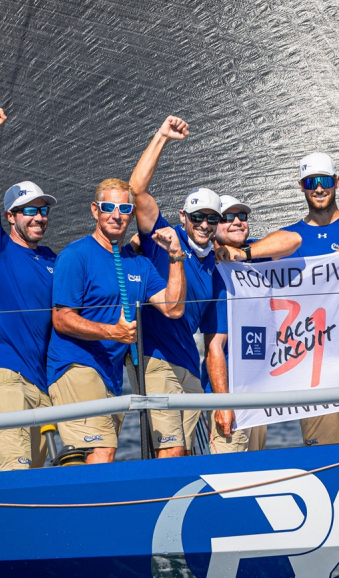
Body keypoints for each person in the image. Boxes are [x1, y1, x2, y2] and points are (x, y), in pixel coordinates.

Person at [219, 152, 339, 444]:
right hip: (312, 358)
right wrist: (336, 260)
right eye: (310, 182)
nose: (318, 188)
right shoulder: (286, 239)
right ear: (301, 187)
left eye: (324, 181)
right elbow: (254, 256)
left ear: (336, 182)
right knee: (324, 449)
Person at [47, 179, 185, 463]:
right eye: (108, 207)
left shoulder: (139, 264)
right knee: (101, 450)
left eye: (124, 209)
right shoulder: (76, 255)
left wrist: (175, 255)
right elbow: (61, 319)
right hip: (77, 365)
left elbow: (173, 308)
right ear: (95, 210)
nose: (116, 215)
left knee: (102, 454)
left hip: (110, 374)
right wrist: (113, 332)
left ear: (131, 214)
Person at [0, 104, 58, 471]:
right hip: (1, 370)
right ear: (10, 216)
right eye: (29, 210)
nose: (38, 217)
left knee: (36, 476)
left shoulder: (53, 260)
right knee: (16, 467)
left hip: (40, 382)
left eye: (43, 210)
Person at [128, 115, 221, 458]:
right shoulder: (163, 237)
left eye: (212, 218)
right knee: (171, 450)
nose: (204, 224)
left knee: (189, 456)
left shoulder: (217, 262)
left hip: (189, 365)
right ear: (183, 217)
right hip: (156, 359)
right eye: (197, 217)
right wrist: (162, 136)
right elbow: (137, 190)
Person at [201, 195, 269, 454]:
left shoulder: (255, 255)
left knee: (255, 470)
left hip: (259, 394)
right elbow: (214, 346)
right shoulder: (213, 269)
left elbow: (293, 240)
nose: (238, 221)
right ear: (214, 225)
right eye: (228, 217)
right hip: (231, 394)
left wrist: (244, 253)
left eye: (243, 216)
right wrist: (224, 403)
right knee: (228, 473)